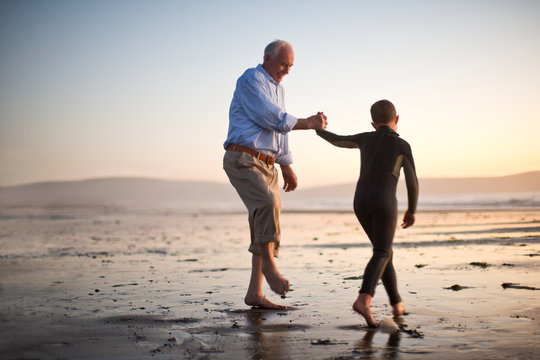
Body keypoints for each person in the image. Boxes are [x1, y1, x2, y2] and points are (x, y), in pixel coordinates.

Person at [223, 40, 328, 310]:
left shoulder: (280, 90)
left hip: (267, 163)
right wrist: (307, 123)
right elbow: (271, 117)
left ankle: (254, 293)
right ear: (267, 58)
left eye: (291, 66)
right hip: (243, 158)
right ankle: (270, 268)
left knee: (264, 221)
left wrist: (286, 166)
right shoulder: (251, 79)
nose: (287, 71)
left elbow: (278, 132)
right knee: (268, 206)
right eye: (283, 64)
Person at [316, 99, 418, 327]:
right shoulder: (403, 146)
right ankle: (364, 298)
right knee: (382, 251)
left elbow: (337, 140)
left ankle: (396, 304)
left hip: (360, 201)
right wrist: (411, 210)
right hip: (383, 201)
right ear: (397, 119)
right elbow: (412, 181)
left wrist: (318, 129)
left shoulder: (365, 138)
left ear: (373, 124)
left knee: (383, 251)